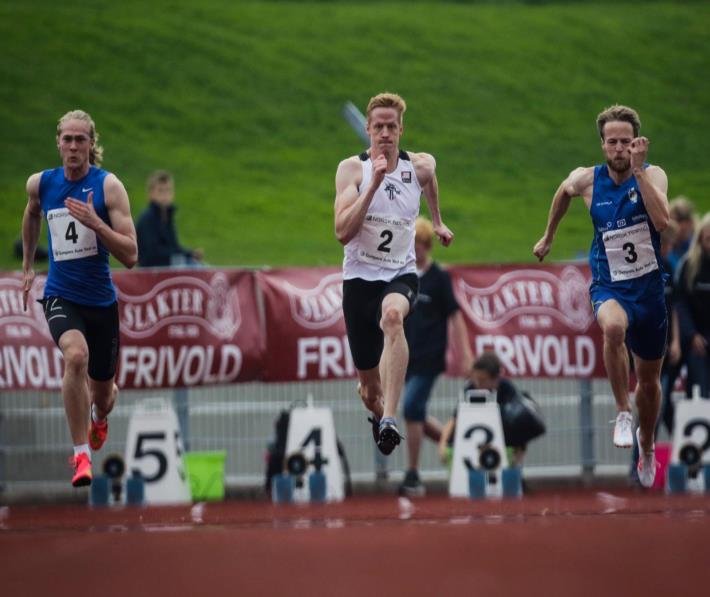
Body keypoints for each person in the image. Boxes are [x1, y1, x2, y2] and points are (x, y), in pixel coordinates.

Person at [533, 104, 670, 488]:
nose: (619, 149)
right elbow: (563, 191)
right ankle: (622, 412)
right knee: (612, 328)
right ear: (602, 144)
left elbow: (662, 221)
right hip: (610, 285)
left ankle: (646, 444)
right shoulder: (588, 180)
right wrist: (549, 235)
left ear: (636, 143)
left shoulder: (653, 175)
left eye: (626, 142)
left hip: (649, 292)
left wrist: (640, 171)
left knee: (650, 382)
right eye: (612, 142)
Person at [21, 110, 138, 487]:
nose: (73, 146)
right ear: (58, 142)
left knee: (102, 395)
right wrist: (27, 265)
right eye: (67, 139)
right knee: (75, 357)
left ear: (91, 144)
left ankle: (100, 416)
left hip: (101, 303)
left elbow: (131, 256)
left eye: (80, 140)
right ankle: (81, 455)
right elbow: (31, 214)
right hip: (60, 295)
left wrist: (95, 223)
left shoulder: (108, 188)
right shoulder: (41, 184)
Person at [334, 92, 454, 456]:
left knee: (393, 317)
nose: (385, 133)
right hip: (358, 281)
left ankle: (389, 418)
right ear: (368, 129)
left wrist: (436, 221)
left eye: (391, 126)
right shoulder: (351, 170)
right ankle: (378, 410)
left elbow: (430, 177)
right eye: (378, 127)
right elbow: (342, 231)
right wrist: (373, 184)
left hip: (399, 275)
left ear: (401, 129)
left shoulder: (418, 167)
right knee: (369, 391)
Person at [398, 216, 472, 496]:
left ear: (427, 245)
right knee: (413, 411)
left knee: (411, 407)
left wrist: (465, 355)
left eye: (418, 243)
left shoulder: (439, 278)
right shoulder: (401, 276)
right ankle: (455, 442)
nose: (414, 249)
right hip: (405, 356)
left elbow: (456, 317)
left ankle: (413, 474)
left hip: (430, 356)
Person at [439, 352, 538, 480]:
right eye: (476, 379)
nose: (478, 384)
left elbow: (518, 419)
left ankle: (514, 473)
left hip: (503, 437)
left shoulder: (506, 389)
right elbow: (454, 419)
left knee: (521, 428)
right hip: (473, 438)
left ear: (495, 379)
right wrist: (442, 444)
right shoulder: (470, 389)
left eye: (482, 380)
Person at [135, 170, 203, 267]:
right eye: (160, 190)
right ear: (151, 194)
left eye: (168, 190)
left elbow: (174, 246)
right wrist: (186, 255)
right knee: (197, 269)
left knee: (202, 268)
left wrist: (190, 253)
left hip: (169, 264)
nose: (165, 195)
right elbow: (153, 253)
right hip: (154, 269)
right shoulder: (147, 219)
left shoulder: (168, 216)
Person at [675, 212, 710, 398]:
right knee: (698, 389)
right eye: (708, 239)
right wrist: (692, 335)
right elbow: (681, 303)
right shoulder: (689, 266)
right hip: (696, 339)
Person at [667, 196, 697, 272]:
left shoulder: (696, 245)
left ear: (689, 222)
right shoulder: (666, 246)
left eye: (677, 221)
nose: (671, 225)